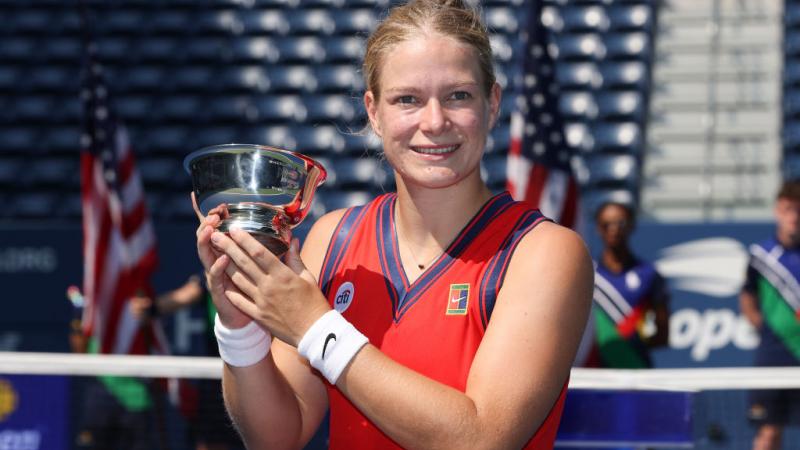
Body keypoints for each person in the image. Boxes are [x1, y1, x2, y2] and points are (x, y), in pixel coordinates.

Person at [193, 1, 593, 448]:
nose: (434, 121)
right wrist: (238, 325)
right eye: (408, 99)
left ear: (493, 104)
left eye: (458, 95)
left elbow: (481, 440)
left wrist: (316, 327)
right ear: (373, 112)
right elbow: (276, 437)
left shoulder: (543, 252)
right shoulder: (333, 239)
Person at [740, 180, 800, 450]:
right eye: (788, 209)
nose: (794, 217)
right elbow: (747, 295)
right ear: (778, 210)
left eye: (799, 210)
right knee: (768, 432)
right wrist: (763, 326)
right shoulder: (761, 256)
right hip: (773, 358)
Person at [584, 201, 670, 369]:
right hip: (594, 375)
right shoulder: (587, 275)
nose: (614, 229)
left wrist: (633, 339)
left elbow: (662, 335)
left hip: (636, 370)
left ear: (632, 226)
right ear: (598, 228)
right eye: (606, 224)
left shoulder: (649, 274)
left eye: (621, 223)